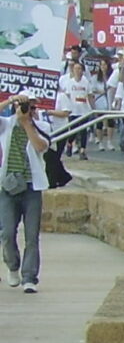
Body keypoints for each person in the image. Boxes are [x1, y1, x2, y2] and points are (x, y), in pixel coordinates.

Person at [1, 92, 50, 293]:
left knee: (32, 235)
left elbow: (41, 146)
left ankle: (29, 277)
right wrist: (10, 101)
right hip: (8, 186)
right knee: (7, 232)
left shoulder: (42, 126)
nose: (27, 110)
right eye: (25, 106)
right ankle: (13, 266)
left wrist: (27, 123)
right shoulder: (6, 124)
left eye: (31, 107)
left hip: (32, 187)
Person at [57, 61, 94, 160]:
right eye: (76, 69)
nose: (78, 71)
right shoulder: (69, 82)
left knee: (83, 130)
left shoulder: (86, 82)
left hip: (84, 110)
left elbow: (90, 95)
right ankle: (69, 143)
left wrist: (93, 108)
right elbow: (66, 95)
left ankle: (82, 150)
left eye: (79, 69)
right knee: (73, 130)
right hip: (73, 110)